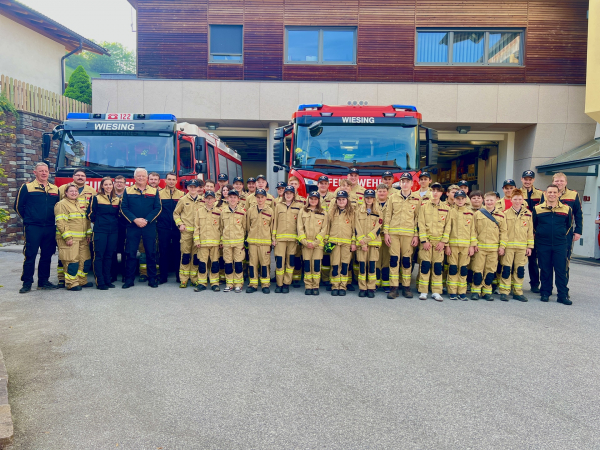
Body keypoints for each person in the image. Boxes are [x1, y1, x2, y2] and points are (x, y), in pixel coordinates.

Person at [14, 162, 60, 293]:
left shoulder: (55, 189)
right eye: (41, 171)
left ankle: (43, 281)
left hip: (50, 227)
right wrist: (29, 219)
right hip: (33, 227)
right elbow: (18, 206)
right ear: (35, 172)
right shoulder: (27, 187)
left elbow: (57, 208)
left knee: (47, 255)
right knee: (30, 255)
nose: (44, 173)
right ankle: (27, 283)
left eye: (46, 171)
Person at [120, 168, 162, 289]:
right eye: (138, 176)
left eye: (143, 176)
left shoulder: (154, 191)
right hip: (133, 226)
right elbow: (124, 208)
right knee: (131, 253)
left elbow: (157, 208)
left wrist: (147, 220)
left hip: (149, 226)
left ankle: (152, 279)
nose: (141, 178)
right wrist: (135, 220)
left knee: (151, 253)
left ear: (147, 178)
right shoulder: (127, 190)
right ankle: (129, 279)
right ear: (134, 177)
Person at [533, 185, 573, 305]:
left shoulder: (566, 209)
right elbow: (534, 225)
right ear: (545, 193)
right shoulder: (538, 209)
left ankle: (562, 295)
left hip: (560, 244)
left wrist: (560, 236)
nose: (552, 194)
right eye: (550, 192)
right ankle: (545, 292)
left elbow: (569, 225)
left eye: (555, 192)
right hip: (543, 244)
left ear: (559, 194)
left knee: (561, 270)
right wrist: (541, 234)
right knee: (545, 269)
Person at [56, 169, 96, 287]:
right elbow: (61, 222)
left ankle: (81, 281)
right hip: (70, 238)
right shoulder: (62, 204)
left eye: (75, 191)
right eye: (71, 191)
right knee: (71, 261)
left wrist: (88, 234)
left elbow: (86, 220)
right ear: (66, 192)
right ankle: (71, 283)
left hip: (83, 238)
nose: (74, 193)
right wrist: (67, 237)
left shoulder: (79, 204)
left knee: (85, 260)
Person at [542, 173, 582, 288]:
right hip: (548, 234)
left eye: (561, 181)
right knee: (546, 262)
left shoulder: (573, 195)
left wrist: (578, 231)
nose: (559, 183)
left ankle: (563, 287)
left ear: (566, 182)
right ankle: (546, 288)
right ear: (553, 182)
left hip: (566, 233)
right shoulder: (546, 194)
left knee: (564, 261)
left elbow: (578, 214)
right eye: (556, 181)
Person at [383, 172, 420, 299]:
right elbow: (387, 216)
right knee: (393, 261)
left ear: (411, 183)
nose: (404, 184)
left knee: (406, 261)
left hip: (408, 235)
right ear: (400, 183)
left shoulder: (417, 199)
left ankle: (406, 287)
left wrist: (416, 235)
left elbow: (417, 219)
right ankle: (394, 288)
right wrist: (386, 233)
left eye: (407, 181)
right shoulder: (392, 197)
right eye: (402, 181)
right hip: (393, 234)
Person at [417, 183, 450, 301]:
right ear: (430, 192)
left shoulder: (446, 208)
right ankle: (423, 291)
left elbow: (448, 227)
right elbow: (420, 224)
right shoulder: (424, 207)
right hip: (427, 242)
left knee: (437, 268)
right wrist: (424, 240)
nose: (435, 193)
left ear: (442, 193)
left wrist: (443, 242)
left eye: (438, 191)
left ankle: (436, 291)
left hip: (439, 243)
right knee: (425, 266)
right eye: (433, 190)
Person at [499, 189, 533, 302]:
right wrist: (502, 246)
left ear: (523, 200)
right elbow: (503, 231)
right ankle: (504, 292)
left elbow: (530, 231)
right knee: (506, 269)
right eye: (515, 199)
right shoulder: (505, 214)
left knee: (519, 270)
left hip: (522, 247)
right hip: (508, 246)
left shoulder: (528, 214)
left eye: (519, 199)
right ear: (511, 200)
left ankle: (518, 292)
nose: (517, 201)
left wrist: (529, 247)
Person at [471, 192, 507, 300]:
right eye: (487, 200)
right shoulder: (477, 214)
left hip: (494, 248)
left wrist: (502, 246)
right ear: (484, 201)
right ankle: (476, 291)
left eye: (491, 200)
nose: (489, 202)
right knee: (478, 270)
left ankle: (487, 291)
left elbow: (503, 232)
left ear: (496, 201)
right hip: (480, 248)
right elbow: (473, 230)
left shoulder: (501, 215)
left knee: (490, 271)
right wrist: (474, 244)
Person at [88, 177, 120, 290]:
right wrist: (100, 223)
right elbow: (91, 214)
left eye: (110, 184)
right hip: (100, 230)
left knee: (109, 256)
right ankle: (100, 281)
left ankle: (107, 280)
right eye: (105, 185)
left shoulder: (116, 199)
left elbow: (118, 215)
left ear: (113, 186)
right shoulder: (96, 198)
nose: (108, 187)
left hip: (113, 231)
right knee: (99, 256)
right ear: (102, 186)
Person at [446, 190, 476, 301]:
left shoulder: (470, 213)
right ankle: (452, 291)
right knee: (453, 269)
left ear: (465, 199)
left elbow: (473, 231)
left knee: (463, 269)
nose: (460, 200)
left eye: (462, 198)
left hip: (466, 246)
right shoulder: (450, 212)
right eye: (457, 198)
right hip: (453, 245)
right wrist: (447, 245)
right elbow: (447, 229)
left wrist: (472, 246)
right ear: (454, 199)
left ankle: (462, 292)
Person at [173, 179, 203, 288]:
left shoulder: (202, 200)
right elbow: (176, 214)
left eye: (195, 187)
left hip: (198, 233)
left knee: (195, 256)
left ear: (197, 188)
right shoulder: (183, 200)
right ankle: (184, 279)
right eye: (191, 187)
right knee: (185, 256)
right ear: (188, 188)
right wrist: (180, 224)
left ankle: (194, 279)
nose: (193, 189)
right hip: (186, 233)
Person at [297, 191, 328, 296]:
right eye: (311, 198)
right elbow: (300, 228)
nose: (313, 200)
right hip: (306, 244)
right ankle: (308, 286)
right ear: (308, 199)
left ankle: (315, 286)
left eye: (315, 199)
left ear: (318, 200)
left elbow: (324, 229)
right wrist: (304, 242)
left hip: (317, 244)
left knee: (316, 266)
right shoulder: (302, 211)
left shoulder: (323, 212)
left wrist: (315, 242)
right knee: (307, 265)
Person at [272, 186, 302, 293]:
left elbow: (300, 224)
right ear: (284, 194)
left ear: (294, 195)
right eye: (286, 193)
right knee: (280, 262)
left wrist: (300, 238)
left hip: (293, 239)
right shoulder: (278, 206)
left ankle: (286, 284)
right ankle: (279, 284)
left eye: (290, 193)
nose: (288, 195)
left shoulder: (299, 206)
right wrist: (273, 238)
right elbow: (274, 223)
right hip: (280, 239)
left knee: (290, 263)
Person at [327, 190, 356, 296]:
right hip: (333, 242)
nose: (341, 201)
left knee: (344, 265)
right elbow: (327, 228)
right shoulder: (331, 212)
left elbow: (354, 229)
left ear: (347, 200)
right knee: (334, 265)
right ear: (336, 201)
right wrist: (327, 241)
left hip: (346, 243)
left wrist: (353, 243)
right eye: (339, 199)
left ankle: (343, 286)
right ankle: (335, 286)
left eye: (343, 199)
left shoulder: (352, 213)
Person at [157, 173, 184, 284]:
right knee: (163, 252)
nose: (171, 181)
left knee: (178, 252)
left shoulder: (182, 194)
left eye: (173, 179)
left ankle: (179, 276)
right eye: (169, 179)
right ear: (165, 181)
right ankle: (163, 277)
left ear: (176, 181)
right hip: (163, 227)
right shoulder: (159, 194)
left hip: (177, 228)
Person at [246, 188, 274, 294]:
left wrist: (272, 240)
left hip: (265, 242)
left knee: (265, 263)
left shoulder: (270, 211)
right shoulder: (250, 210)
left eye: (262, 197)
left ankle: (265, 284)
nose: (260, 199)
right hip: (253, 242)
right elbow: (248, 226)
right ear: (255, 198)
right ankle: (253, 284)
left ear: (266, 198)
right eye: (258, 197)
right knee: (253, 264)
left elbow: (272, 226)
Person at [355, 189, 382, 298]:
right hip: (362, 244)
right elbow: (356, 227)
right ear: (364, 198)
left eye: (371, 197)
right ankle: (362, 288)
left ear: (374, 199)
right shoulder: (358, 211)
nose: (369, 199)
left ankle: (371, 287)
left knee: (372, 266)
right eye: (367, 197)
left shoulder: (378, 212)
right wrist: (362, 243)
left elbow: (378, 228)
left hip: (373, 243)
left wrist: (365, 241)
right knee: (362, 266)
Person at [193, 190, 222, 292]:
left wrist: (221, 241)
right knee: (202, 264)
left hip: (215, 243)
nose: (209, 200)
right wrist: (197, 240)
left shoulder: (219, 212)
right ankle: (202, 283)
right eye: (207, 198)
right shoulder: (199, 212)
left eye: (211, 198)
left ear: (215, 199)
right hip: (203, 243)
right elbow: (196, 227)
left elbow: (222, 228)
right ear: (204, 199)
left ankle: (214, 283)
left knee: (214, 264)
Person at [521, 170, 543, 292]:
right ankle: (515, 284)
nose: (527, 181)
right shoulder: (516, 193)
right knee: (517, 259)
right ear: (522, 179)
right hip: (521, 231)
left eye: (530, 179)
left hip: (536, 231)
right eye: (525, 179)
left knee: (533, 260)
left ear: (533, 180)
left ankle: (535, 284)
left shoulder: (540, 194)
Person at [220, 189, 247, 293]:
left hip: (238, 243)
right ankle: (229, 283)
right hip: (227, 242)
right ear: (227, 198)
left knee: (238, 264)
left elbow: (244, 227)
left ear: (238, 199)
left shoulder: (242, 212)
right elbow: (221, 227)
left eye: (235, 197)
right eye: (230, 197)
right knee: (228, 264)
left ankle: (238, 284)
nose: (232, 199)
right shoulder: (223, 212)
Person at [111, 175, 128, 282]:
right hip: (112, 226)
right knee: (112, 251)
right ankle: (113, 275)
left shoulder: (128, 194)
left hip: (125, 226)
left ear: (125, 183)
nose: (119, 184)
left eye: (121, 182)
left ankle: (124, 275)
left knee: (125, 251)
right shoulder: (109, 195)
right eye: (117, 182)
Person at [375, 183, 391, 293]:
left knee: (386, 260)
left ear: (387, 192)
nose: (381, 193)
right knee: (376, 260)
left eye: (384, 191)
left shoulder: (391, 203)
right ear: (377, 192)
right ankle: (375, 283)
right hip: (375, 236)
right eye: (380, 191)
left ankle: (386, 283)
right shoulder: (372, 203)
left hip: (387, 235)